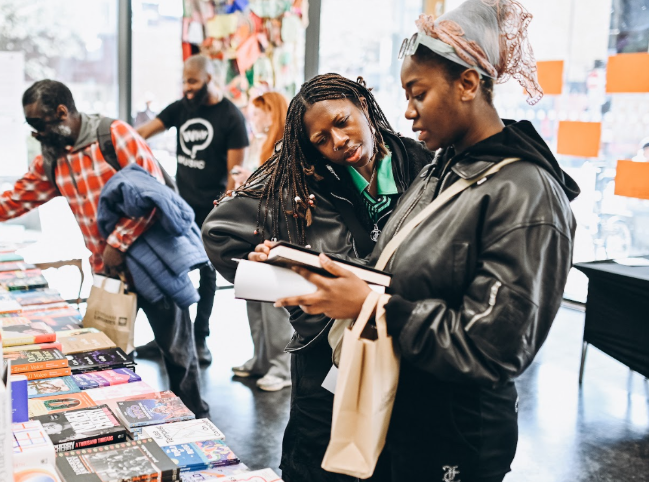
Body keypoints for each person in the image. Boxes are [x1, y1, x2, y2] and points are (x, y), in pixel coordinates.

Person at [266, 1, 580, 480]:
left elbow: (495, 347)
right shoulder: (443, 169)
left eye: (419, 93)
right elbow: (399, 269)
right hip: (406, 413)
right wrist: (322, 271)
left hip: (455, 432)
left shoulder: (525, 193)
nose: (407, 112)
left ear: (468, 84)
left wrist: (372, 307)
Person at [0, 80, 209, 418]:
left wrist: (117, 243)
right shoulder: (53, 157)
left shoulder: (114, 136)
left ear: (62, 112)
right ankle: (118, 422)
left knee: (177, 351)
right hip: (108, 273)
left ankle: (195, 418)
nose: (35, 134)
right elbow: (12, 200)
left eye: (38, 125)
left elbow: (157, 196)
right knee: (105, 353)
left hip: (153, 265)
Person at [202, 74, 433, 481]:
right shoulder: (301, 178)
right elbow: (218, 232)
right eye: (321, 139)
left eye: (342, 122)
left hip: (409, 348)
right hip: (324, 360)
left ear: (364, 103)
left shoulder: (425, 167)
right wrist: (301, 286)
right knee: (320, 466)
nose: (337, 142)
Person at [137, 55, 249, 365]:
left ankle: (199, 338)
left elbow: (235, 175)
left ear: (210, 80)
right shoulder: (182, 108)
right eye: (184, 81)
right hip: (178, 204)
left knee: (206, 275)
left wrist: (222, 215)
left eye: (193, 82)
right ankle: (169, 335)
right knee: (169, 268)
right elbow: (140, 135)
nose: (187, 88)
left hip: (211, 209)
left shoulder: (231, 117)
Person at [230, 91, 293, 392]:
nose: (253, 119)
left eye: (258, 113)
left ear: (273, 113)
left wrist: (249, 179)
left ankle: (281, 368)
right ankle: (261, 359)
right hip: (255, 229)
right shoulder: (261, 143)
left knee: (273, 303)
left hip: (277, 231)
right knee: (253, 298)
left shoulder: (286, 147)